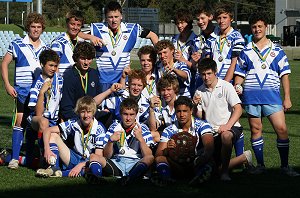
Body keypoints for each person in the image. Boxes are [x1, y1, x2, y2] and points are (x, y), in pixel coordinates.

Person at [234, 11, 300, 177]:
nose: (257, 29)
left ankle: (285, 166)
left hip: (272, 97)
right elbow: (239, 74)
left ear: (265, 27)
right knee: (256, 130)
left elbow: (284, 75)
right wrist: (237, 86)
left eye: (260, 26)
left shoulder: (277, 50)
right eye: (254, 27)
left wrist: (287, 97)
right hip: (251, 96)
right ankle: (261, 165)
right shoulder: (246, 50)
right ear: (251, 29)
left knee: (282, 129)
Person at [1, 13, 48, 169]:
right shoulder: (17, 43)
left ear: (42, 29)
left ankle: (29, 155)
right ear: (28, 27)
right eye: (33, 26)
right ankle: (14, 158)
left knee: (35, 123)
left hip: (39, 93)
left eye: (38, 27)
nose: (35, 30)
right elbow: (4, 63)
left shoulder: (45, 48)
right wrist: (7, 85)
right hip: (21, 92)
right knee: (20, 121)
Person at [80, 1, 158, 92]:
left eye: (116, 17)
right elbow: (77, 33)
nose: (114, 20)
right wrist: (91, 37)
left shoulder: (132, 29)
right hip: (102, 81)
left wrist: (159, 58)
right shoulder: (96, 28)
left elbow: (153, 36)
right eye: (110, 17)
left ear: (121, 16)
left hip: (123, 80)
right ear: (106, 17)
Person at [193, 58, 249, 181]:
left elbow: (238, 109)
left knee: (226, 136)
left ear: (215, 72)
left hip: (229, 127)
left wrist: (227, 126)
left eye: (209, 73)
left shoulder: (226, 86)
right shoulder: (199, 91)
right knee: (211, 168)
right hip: (211, 132)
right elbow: (199, 117)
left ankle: (225, 173)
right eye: (203, 74)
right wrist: (194, 105)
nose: (206, 77)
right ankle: (243, 158)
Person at [35, 96, 107, 179]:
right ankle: (54, 167)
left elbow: (98, 157)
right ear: (78, 112)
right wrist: (47, 149)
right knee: (53, 135)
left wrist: (81, 165)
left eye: (89, 112)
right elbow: (47, 130)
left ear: (93, 112)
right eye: (83, 112)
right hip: (74, 157)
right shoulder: (74, 122)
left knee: (94, 168)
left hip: (89, 162)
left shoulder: (99, 129)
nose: (86, 115)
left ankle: (60, 173)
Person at [153, 96, 214, 186]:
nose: (181, 115)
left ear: (191, 111)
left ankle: (200, 176)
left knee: (209, 159)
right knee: (160, 159)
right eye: (178, 111)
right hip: (177, 166)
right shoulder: (169, 130)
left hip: (196, 162)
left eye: (185, 111)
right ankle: (166, 179)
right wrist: (167, 150)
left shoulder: (202, 125)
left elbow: (209, 147)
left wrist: (201, 159)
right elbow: (158, 154)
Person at [100, 98, 154, 185]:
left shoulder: (143, 128)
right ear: (121, 114)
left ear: (136, 115)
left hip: (135, 163)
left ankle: (130, 178)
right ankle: (97, 179)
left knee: (150, 158)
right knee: (94, 157)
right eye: (125, 114)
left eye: (131, 114)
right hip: (117, 162)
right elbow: (106, 156)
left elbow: (148, 156)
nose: (128, 118)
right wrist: (110, 141)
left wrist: (141, 140)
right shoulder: (114, 127)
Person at [26, 49, 62, 167]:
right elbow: (38, 113)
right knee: (44, 121)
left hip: (54, 119)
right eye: (50, 65)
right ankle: (43, 156)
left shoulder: (60, 80)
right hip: (36, 119)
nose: (53, 68)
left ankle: (14, 158)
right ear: (42, 64)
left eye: (55, 66)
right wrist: (42, 93)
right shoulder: (37, 84)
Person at [203, 3, 244, 82]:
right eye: (219, 18)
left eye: (225, 17)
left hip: (228, 82)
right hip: (212, 81)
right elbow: (207, 62)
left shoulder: (237, 37)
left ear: (231, 19)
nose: (221, 21)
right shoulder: (211, 37)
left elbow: (234, 63)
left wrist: (224, 84)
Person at [172, 9, 201, 96]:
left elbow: (197, 68)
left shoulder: (197, 41)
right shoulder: (174, 39)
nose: (180, 25)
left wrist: (182, 59)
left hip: (191, 83)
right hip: (175, 82)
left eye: (182, 22)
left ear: (189, 23)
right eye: (177, 23)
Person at [51, 10, 85, 76]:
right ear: (67, 23)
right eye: (72, 24)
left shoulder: (82, 42)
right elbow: (54, 66)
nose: (75, 27)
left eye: (78, 25)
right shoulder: (58, 42)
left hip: (78, 82)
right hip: (64, 82)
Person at [148, 75, 180, 142]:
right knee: (150, 136)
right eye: (163, 90)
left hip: (182, 135)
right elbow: (153, 129)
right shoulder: (160, 105)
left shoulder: (182, 102)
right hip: (168, 136)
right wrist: (151, 109)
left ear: (175, 89)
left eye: (168, 89)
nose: (165, 93)